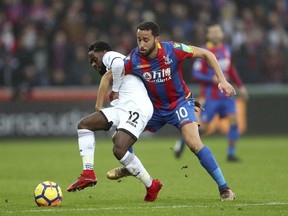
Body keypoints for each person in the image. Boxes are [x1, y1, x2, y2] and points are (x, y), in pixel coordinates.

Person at [110, 21, 236, 201]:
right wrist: (115, 91)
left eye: (146, 40)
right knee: (119, 139)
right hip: (153, 109)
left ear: (156, 39)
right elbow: (114, 72)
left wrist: (222, 80)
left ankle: (224, 188)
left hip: (179, 103)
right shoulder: (134, 59)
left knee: (193, 143)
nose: (141, 44)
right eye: (139, 40)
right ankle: (131, 166)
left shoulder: (173, 49)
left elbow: (206, 54)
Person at [67, 41, 162, 202]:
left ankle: (152, 185)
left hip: (137, 107)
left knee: (119, 148)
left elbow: (118, 64)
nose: (93, 64)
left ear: (102, 52)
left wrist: (115, 90)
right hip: (124, 107)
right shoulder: (114, 68)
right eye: (90, 62)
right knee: (84, 125)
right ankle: (88, 174)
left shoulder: (111, 56)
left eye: (93, 59)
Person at [174, 22, 249, 161]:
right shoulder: (203, 52)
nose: (215, 34)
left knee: (234, 120)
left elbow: (231, 69)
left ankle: (231, 154)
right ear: (208, 35)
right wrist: (212, 78)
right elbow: (196, 74)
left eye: (218, 31)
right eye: (212, 32)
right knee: (205, 128)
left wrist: (241, 86)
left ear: (222, 34)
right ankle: (183, 141)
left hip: (226, 95)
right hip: (211, 96)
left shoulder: (226, 49)